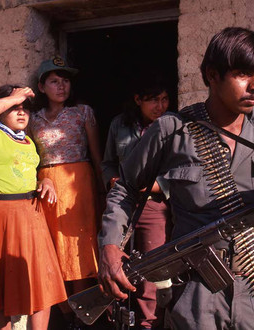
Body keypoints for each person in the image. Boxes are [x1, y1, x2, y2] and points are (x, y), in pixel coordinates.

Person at [97, 27, 254, 329]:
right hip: (195, 294)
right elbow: (126, 189)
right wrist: (109, 246)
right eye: (243, 74)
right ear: (213, 75)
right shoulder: (173, 130)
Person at [0, 85, 67, 330]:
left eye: (25, 108)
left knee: (42, 283)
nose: (21, 111)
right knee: (1, 290)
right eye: (14, 108)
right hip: (3, 216)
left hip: (32, 213)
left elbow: (26, 175)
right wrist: (15, 97)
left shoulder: (27, 141)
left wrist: (43, 181)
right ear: (2, 109)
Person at [28, 56, 105, 327]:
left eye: (66, 81)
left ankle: (85, 316)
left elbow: (97, 157)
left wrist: (102, 190)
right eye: (54, 81)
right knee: (53, 252)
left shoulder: (83, 112)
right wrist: (39, 180)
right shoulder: (32, 119)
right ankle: (65, 315)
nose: (61, 87)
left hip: (78, 186)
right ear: (41, 86)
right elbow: (29, 157)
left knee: (80, 249)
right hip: (47, 188)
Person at [101, 72, 172, 329]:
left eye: (164, 99)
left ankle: (149, 323)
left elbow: (179, 171)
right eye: (153, 100)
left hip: (154, 206)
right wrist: (112, 181)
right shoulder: (119, 125)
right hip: (121, 205)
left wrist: (153, 186)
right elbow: (108, 162)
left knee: (151, 268)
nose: (160, 106)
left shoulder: (171, 127)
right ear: (138, 100)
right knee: (118, 263)